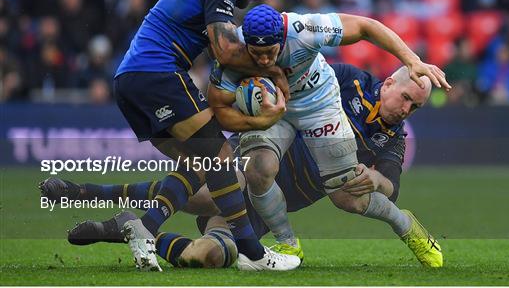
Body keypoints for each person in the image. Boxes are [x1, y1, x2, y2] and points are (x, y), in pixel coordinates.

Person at [40, 63, 442, 268]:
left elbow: (392, 185)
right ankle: (83, 192)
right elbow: (290, 79)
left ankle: (130, 227)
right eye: (405, 97)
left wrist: (377, 181)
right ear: (389, 83)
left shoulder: (391, 138)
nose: (406, 109)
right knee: (204, 183)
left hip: (264, 212)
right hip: (255, 161)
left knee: (207, 258)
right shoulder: (347, 79)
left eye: (415, 107)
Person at [110, 0, 300, 272]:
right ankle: (252, 255)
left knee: (199, 166)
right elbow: (225, 51)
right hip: (158, 75)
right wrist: (274, 71)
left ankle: (144, 228)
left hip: (130, 82)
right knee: (221, 158)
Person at [207, 4, 447, 267]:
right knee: (255, 170)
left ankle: (406, 225)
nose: (264, 61)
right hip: (277, 114)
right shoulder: (231, 52)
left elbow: (366, 26)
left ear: (283, 39)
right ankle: (288, 244)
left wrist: (412, 60)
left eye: (271, 53)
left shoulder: (305, 30)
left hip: (315, 114)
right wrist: (259, 119)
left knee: (347, 196)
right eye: (257, 54)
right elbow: (218, 109)